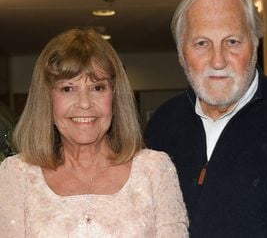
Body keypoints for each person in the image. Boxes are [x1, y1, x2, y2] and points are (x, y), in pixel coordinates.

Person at [145, 0, 267, 237]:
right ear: (182, 54)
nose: (218, 61)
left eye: (232, 42)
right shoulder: (162, 124)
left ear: (254, 44)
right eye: (202, 43)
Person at [0, 28, 188, 237]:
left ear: (114, 97)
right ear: (47, 100)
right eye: (68, 88)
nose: (84, 103)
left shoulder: (154, 170)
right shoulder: (18, 175)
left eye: (97, 88)